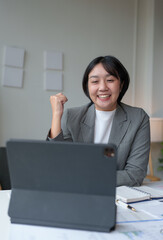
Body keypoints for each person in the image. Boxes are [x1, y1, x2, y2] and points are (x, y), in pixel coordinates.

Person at [47, 56, 150, 186]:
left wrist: (86, 178)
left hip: (118, 196)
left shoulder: (138, 118)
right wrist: (56, 115)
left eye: (110, 80)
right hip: (78, 194)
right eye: (95, 81)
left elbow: (135, 174)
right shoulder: (72, 116)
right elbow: (56, 163)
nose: (103, 87)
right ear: (87, 86)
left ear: (121, 84)